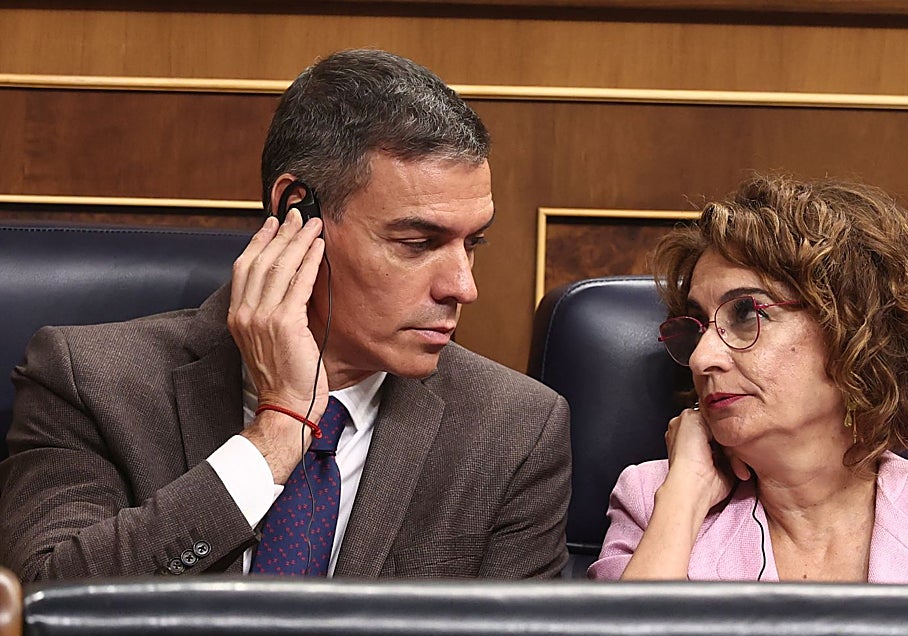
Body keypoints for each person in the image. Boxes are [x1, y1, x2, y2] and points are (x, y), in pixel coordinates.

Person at [0, 49, 571, 581]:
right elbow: (50, 602)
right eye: (417, 243)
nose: (462, 287)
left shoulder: (514, 428)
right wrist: (277, 431)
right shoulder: (89, 380)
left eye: (472, 245)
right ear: (297, 210)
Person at [590, 175, 908, 586]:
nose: (701, 358)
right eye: (697, 327)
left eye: (746, 313)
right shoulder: (653, 500)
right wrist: (684, 498)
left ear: (855, 330)